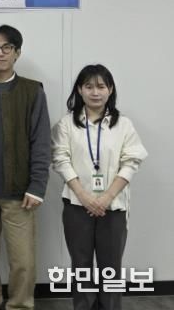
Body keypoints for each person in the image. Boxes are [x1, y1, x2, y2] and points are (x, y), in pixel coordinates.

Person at [51, 64, 148, 310]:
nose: (95, 92)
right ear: (79, 90)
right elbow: (61, 161)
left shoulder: (123, 124)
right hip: (76, 205)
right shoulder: (66, 124)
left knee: (111, 267)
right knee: (81, 265)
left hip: (113, 207)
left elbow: (131, 162)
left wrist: (106, 197)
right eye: (89, 86)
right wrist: (84, 197)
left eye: (101, 86)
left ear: (110, 90)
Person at [0, 25, 51, 310]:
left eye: (7, 47)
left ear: (17, 53)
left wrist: (37, 186)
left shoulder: (32, 90)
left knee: (22, 259)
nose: (0, 53)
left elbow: (41, 141)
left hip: (20, 193)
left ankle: (20, 305)